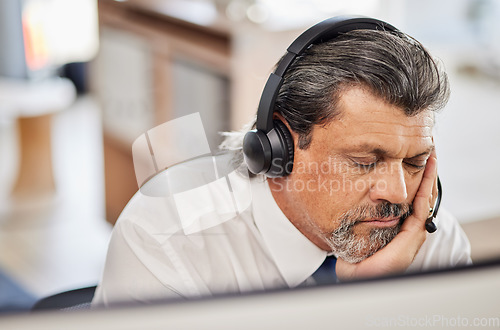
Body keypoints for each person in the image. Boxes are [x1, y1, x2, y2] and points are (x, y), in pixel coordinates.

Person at [92, 16, 471, 307]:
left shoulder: (433, 239)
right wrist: (361, 305)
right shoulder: (168, 240)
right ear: (278, 149)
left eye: (414, 161)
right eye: (363, 161)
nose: (399, 192)